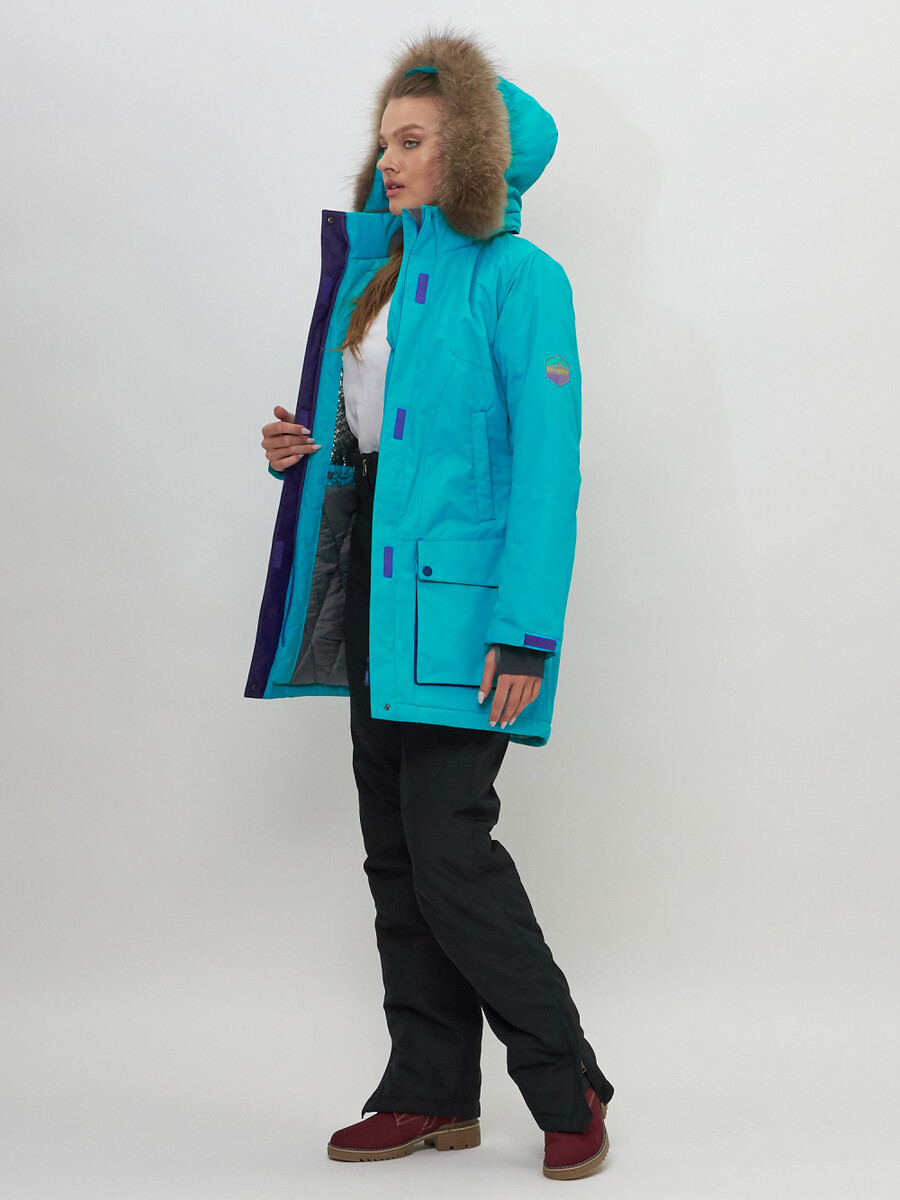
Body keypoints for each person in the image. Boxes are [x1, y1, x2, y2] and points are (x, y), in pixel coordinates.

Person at [248, 28, 615, 1181]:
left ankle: (567, 1080)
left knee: (451, 852)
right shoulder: (380, 275)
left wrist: (527, 630)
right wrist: (308, 449)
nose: (389, 159)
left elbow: (546, 464)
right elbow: (381, 440)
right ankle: (428, 1091)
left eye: (414, 141)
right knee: (396, 860)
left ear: (475, 155)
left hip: (468, 612)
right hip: (375, 596)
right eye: (385, 140)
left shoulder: (521, 278)